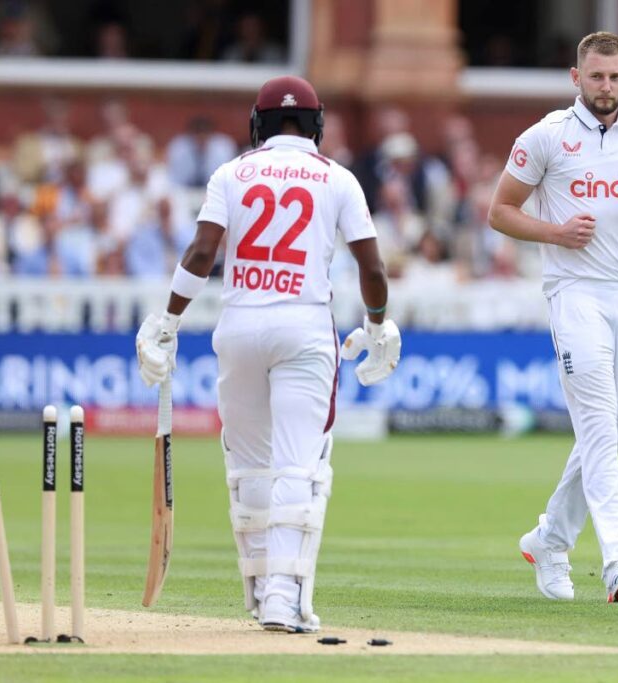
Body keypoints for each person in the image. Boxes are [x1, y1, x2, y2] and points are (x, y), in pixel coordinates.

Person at [134, 76, 402, 633]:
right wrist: (376, 325)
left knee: (249, 467)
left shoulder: (231, 173)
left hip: (240, 324)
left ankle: (258, 590)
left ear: (258, 123)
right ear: (317, 125)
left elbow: (203, 252)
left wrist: (168, 319)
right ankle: (283, 598)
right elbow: (372, 269)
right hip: (303, 325)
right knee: (299, 467)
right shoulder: (339, 178)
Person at [488, 32, 618, 603]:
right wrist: (555, 232)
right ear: (576, 78)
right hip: (575, 293)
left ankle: (549, 538)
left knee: (611, 433)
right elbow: (500, 210)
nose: (606, 87)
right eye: (595, 76)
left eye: (615, 77)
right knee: (599, 427)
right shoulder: (546, 136)